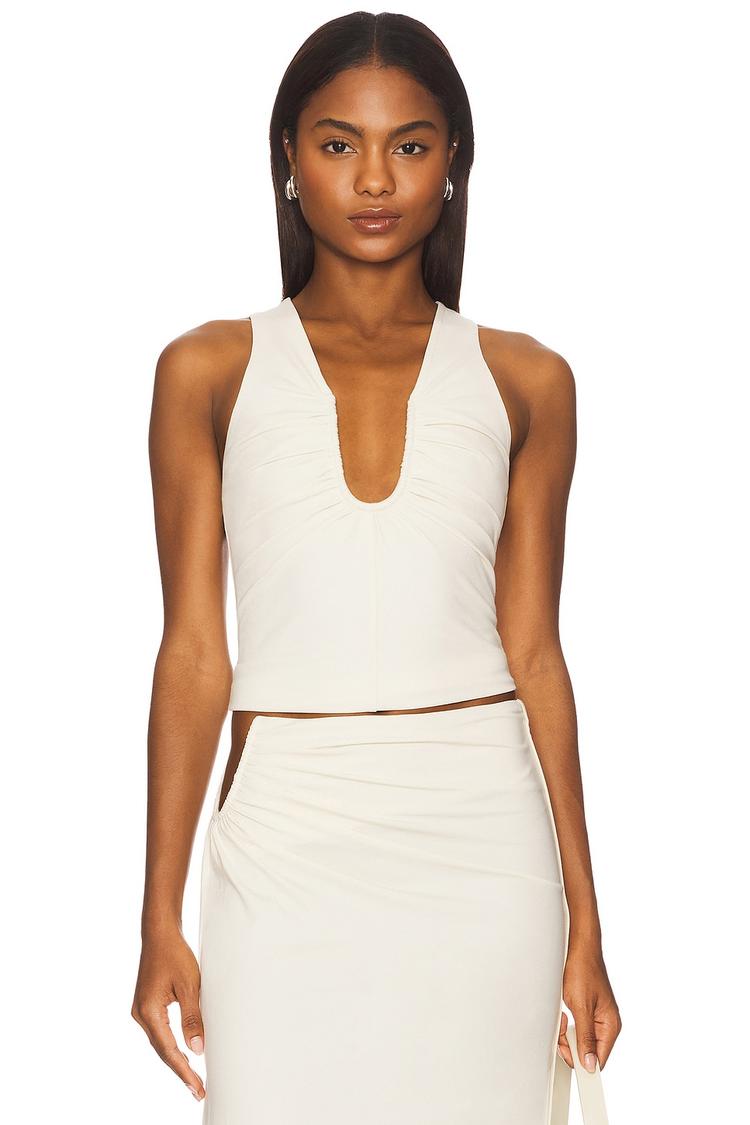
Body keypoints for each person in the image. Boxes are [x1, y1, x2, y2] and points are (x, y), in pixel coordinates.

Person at [132, 11, 621, 1123]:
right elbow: (194, 653)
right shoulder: (205, 370)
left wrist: (587, 920)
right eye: (337, 142)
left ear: (453, 164)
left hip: (484, 840)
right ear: (288, 160)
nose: (373, 178)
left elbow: (537, 653)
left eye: (409, 143)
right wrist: (158, 916)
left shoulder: (528, 380)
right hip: (283, 837)